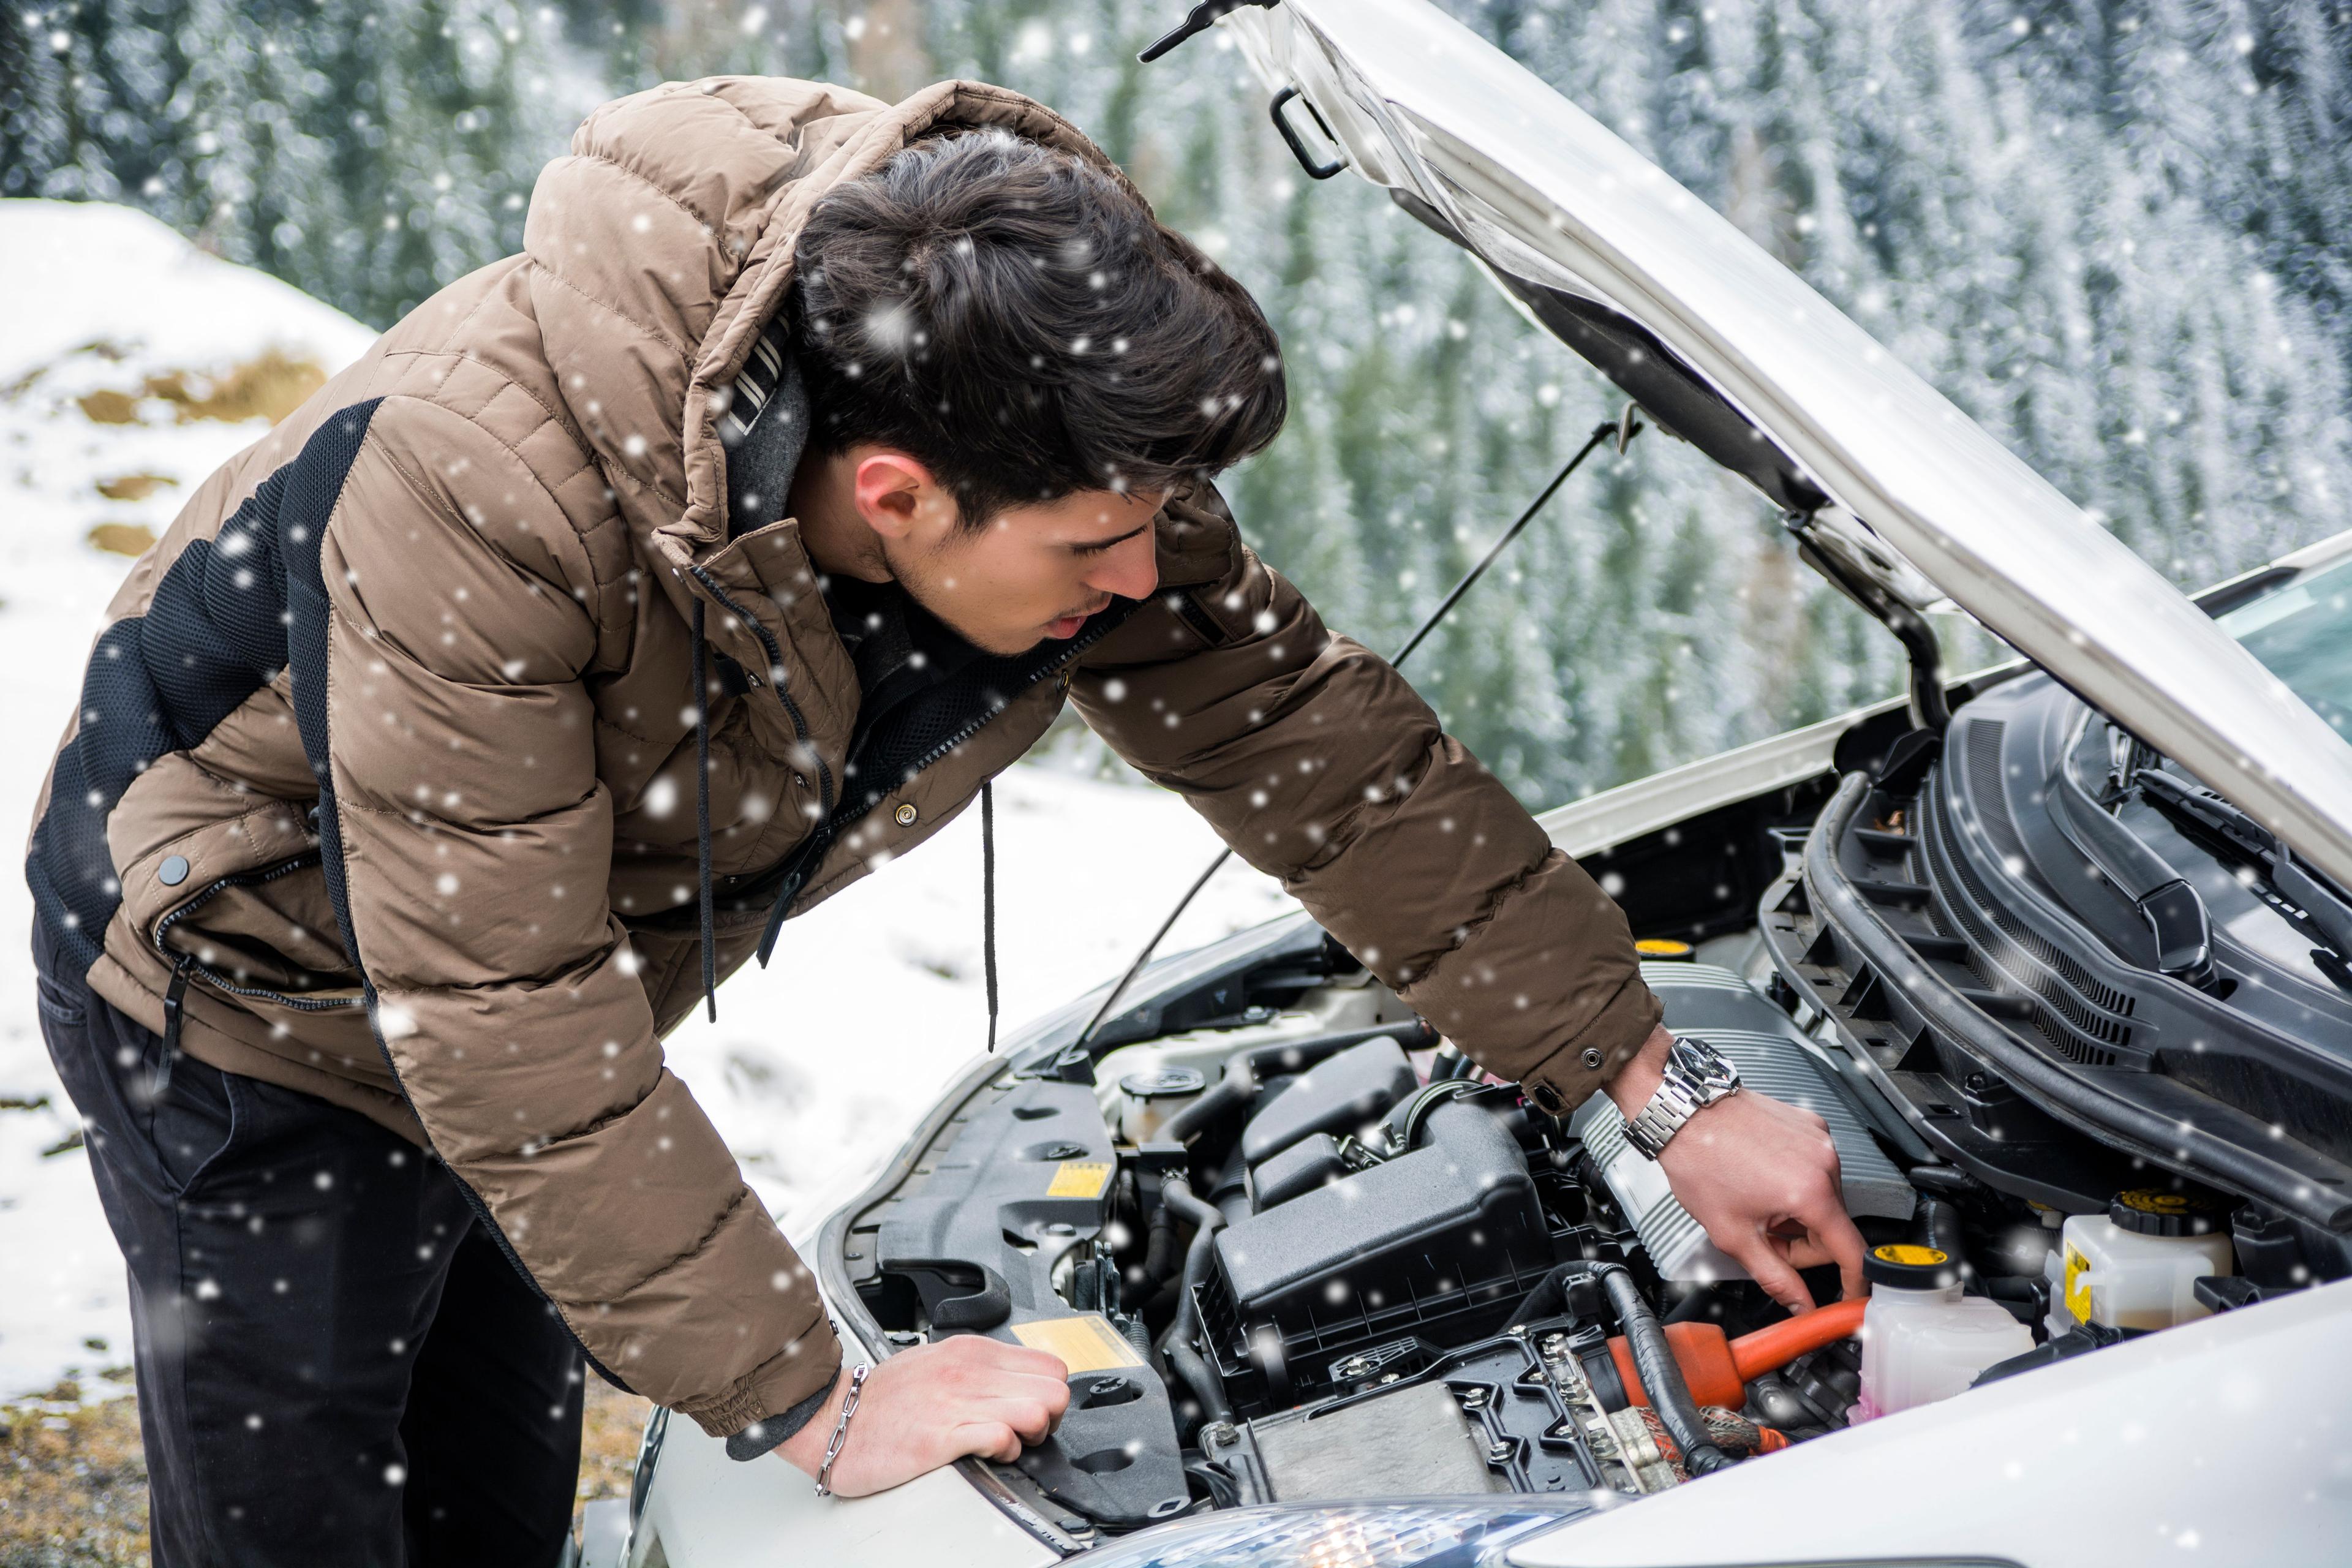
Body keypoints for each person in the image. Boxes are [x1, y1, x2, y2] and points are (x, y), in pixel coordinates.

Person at [25, 75, 1866, 1566]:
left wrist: (1651, 1082)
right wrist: (815, 1402)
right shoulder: (486, 491)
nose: (1145, 580)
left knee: (497, 1484)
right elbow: (501, 1015)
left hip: (526, 983)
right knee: (308, 1500)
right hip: (241, 979)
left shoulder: (1028, 419)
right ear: (897, 496)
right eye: (1096, 552)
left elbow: (1322, 752)